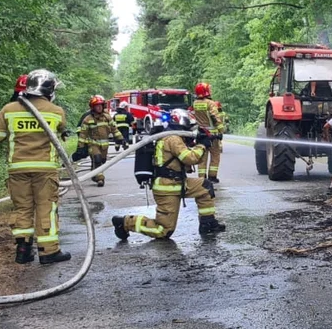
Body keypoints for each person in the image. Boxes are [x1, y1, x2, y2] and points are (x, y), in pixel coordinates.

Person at [0, 69, 76, 265]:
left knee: (23, 208)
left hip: (17, 169)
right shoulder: (56, 111)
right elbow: (61, 131)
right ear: (50, 89)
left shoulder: (9, 109)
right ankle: (49, 251)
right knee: (46, 207)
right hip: (45, 169)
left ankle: (23, 250)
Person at [112, 109, 226, 240]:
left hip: (177, 183)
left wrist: (199, 142)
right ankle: (125, 222)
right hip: (167, 188)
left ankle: (208, 223)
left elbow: (189, 161)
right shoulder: (173, 139)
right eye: (188, 127)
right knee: (163, 230)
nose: (190, 130)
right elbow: (190, 158)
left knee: (205, 187)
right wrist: (202, 145)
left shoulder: (172, 137)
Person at [79, 95, 121, 187]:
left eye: (100, 105)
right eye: (97, 106)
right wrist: (80, 147)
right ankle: (100, 179)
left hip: (104, 145)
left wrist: (120, 138)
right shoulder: (88, 119)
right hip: (93, 144)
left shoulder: (107, 117)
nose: (99, 107)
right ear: (93, 107)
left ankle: (94, 174)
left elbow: (114, 129)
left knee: (102, 161)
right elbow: (83, 134)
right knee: (97, 159)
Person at [190, 82, 225, 183]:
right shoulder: (210, 103)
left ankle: (202, 178)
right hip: (213, 135)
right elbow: (215, 117)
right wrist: (221, 130)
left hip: (201, 134)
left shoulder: (195, 103)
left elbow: (192, 116)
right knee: (215, 156)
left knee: (202, 156)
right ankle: (212, 177)